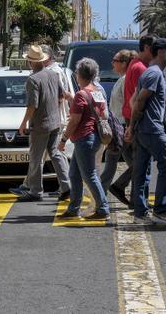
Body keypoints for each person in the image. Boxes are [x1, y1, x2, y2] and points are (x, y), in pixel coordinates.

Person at [125, 39, 166, 225]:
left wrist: (133, 127)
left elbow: (135, 101)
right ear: (161, 52)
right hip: (152, 129)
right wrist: (132, 126)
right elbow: (139, 101)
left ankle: (140, 212)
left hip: (144, 128)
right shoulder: (155, 73)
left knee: (141, 170)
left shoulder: (153, 72)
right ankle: (160, 210)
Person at [12, 45, 66, 202]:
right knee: (56, 154)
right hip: (55, 122)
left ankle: (36, 191)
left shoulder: (33, 79)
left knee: (35, 157)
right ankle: (67, 186)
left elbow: (32, 105)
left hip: (40, 124)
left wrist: (23, 124)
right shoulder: (53, 74)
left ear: (29, 62)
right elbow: (61, 96)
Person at [58, 58, 110, 220]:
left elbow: (74, 121)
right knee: (74, 173)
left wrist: (63, 139)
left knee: (89, 175)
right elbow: (102, 114)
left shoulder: (81, 94)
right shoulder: (97, 92)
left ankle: (103, 208)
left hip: (84, 138)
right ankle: (74, 207)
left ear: (79, 75)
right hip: (94, 137)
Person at [109, 34, 157, 206]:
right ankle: (123, 188)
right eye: (155, 49)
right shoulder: (140, 68)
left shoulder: (137, 66)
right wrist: (132, 124)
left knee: (139, 163)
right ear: (146, 48)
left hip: (129, 121)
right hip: (134, 121)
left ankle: (137, 198)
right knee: (142, 162)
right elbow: (138, 99)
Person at [100, 49, 137, 198]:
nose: (112, 64)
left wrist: (130, 126)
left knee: (112, 162)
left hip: (122, 126)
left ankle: (101, 195)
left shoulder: (126, 79)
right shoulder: (122, 79)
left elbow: (131, 105)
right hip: (118, 126)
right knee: (135, 163)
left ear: (123, 63)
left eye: (115, 61)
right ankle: (134, 196)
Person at [41, 45, 72, 200]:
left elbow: (60, 95)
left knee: (55, 152)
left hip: (55, 118)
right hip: (55, 117)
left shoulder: (54, 71)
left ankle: (66, 186)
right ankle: (65, 185)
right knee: (56, 153)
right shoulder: (54, 70)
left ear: (49, 57)